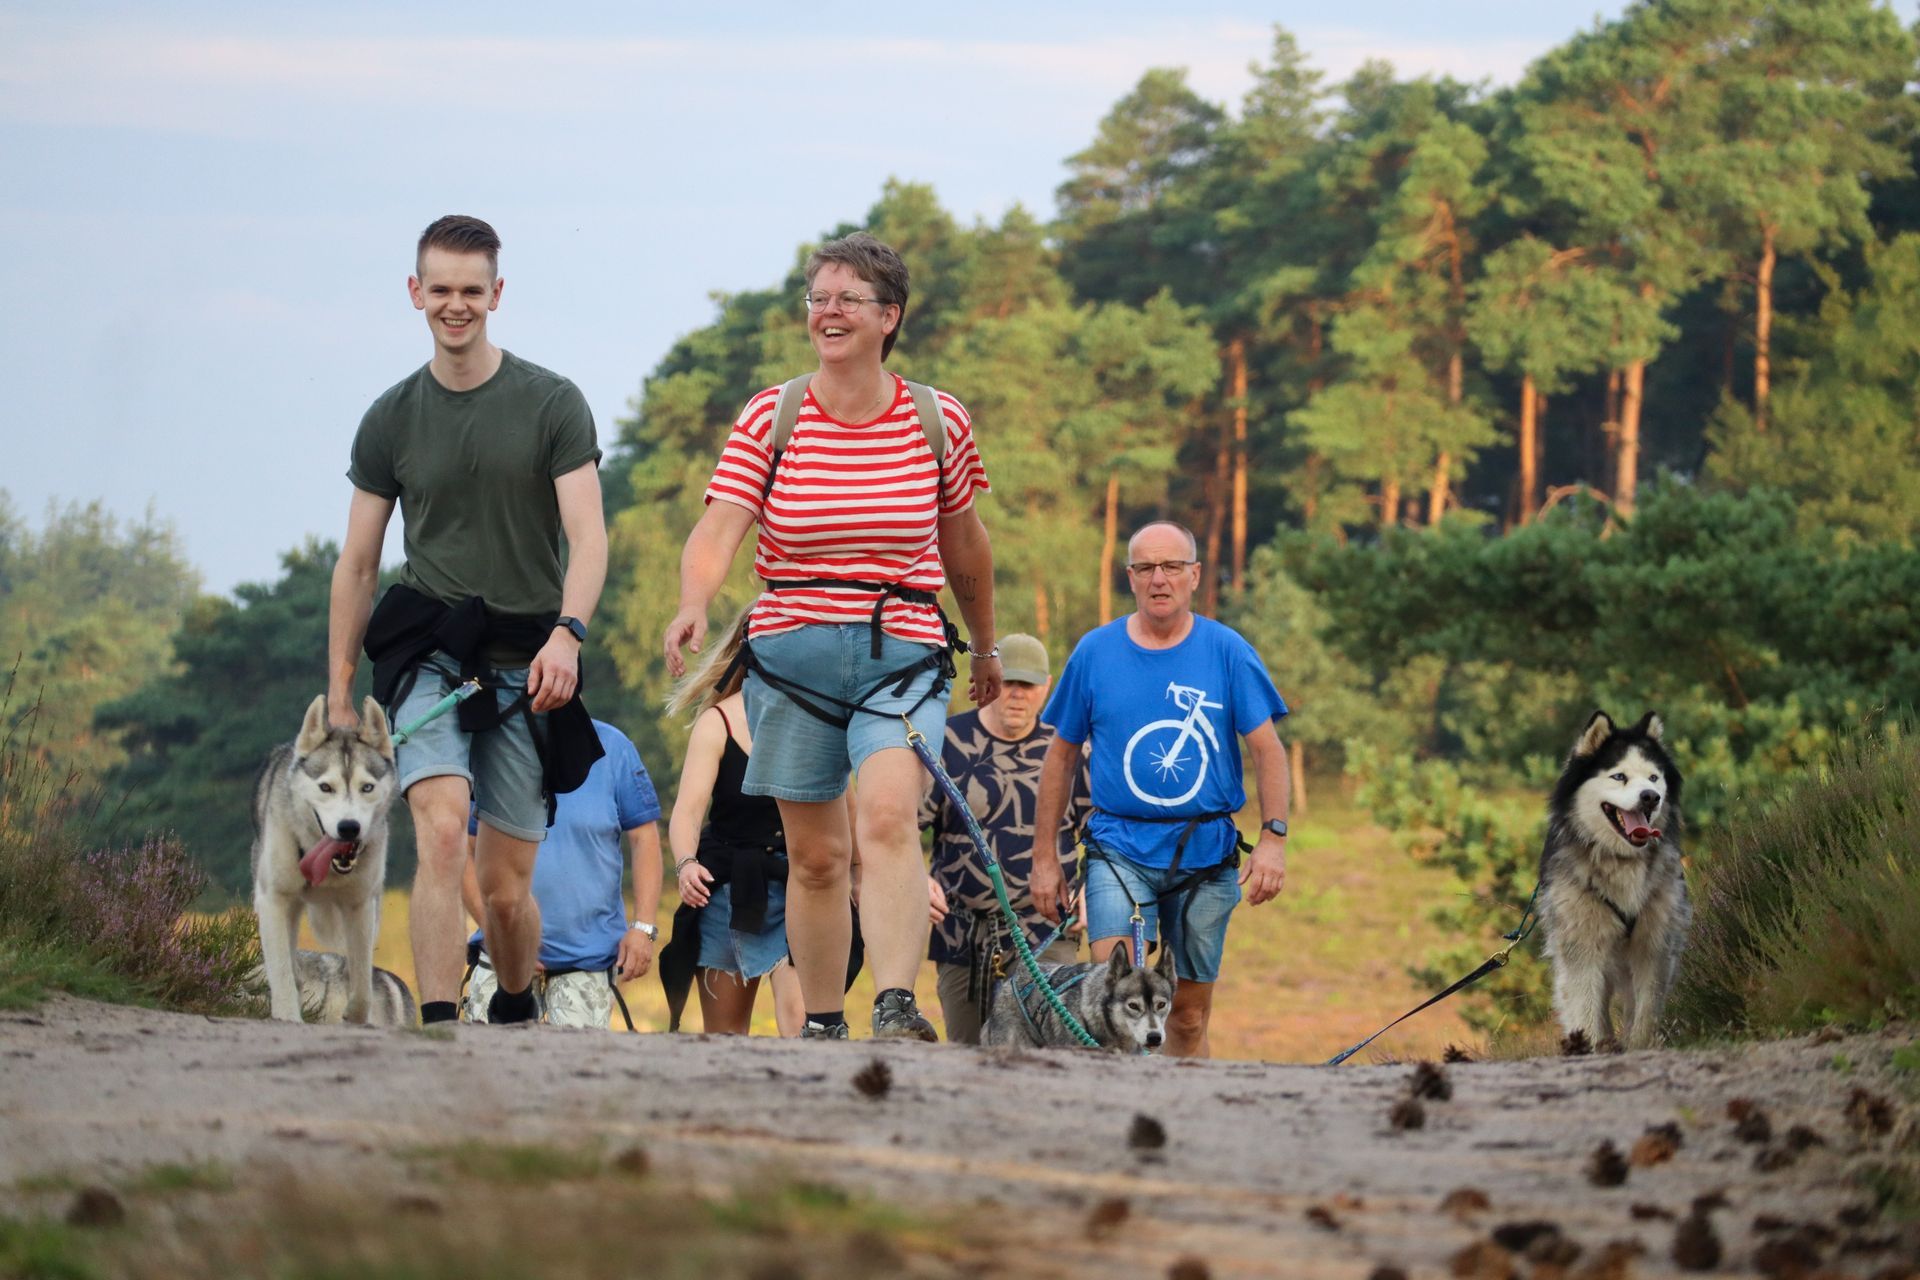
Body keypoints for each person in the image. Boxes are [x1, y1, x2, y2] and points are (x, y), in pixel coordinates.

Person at [663, 232, 999, 1042]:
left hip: (903, 647)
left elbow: (965, 544)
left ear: (890, 316)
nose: (829, 311)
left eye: (848, 298)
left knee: (885, 818)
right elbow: (719, 529)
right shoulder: (772, 415)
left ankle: (892, 1004)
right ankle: (820, 1022)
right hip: (790, 652)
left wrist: (984, 644)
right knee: (814, 857)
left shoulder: (935, 416)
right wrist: (694, 602)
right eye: (818, 298)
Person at [327, 214, 607, 1027]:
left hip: (528, 660)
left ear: (497, 294)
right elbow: (357, 562)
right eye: (440, 289)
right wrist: (341, 688)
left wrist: (569, 635)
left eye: (471, 291)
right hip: (430, 651)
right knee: (441, 834)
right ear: (415, 293)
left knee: (507, 890)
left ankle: (516, 998)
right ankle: (441, 1028)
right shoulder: (390, 417)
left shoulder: (552, 403)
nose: (456, 306)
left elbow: (588, 538)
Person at [1030, 521, 1290, 1059]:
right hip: (1118, 847)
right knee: (1115, 999)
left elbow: (1268, 749)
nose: (1159, 579)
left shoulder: (1228, 651)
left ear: (1194, 575)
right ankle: (1120, 1122)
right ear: (1131, 577)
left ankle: (1183, 1125)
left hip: (1205, 852)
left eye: (1172, 566)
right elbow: (1059, 756)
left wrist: (1273, 839)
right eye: (1146, 567)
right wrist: (1043, 859)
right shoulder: (1095, 652)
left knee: (1187, 1016)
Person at [919, 633, 1091, 1045]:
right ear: (987, 683)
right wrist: (915, 876)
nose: (1017, 695)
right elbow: (900, 826)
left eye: (1028, 685)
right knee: (968, 1053)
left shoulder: (1070, 752)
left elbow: (1103, 833)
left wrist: (1092, 886)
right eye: (1008, 682)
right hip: (963, 934)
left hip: (1047, 931)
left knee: (1046, 1053)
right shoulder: (944, 744)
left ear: (1046, 687)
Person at [461, 719, 663, 1028]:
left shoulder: (614, 747)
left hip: (586, 961)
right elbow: (466, 849)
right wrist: (498, 933)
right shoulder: (493, 747)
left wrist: (643, 927)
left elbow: (644, 838)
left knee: (579, 1069)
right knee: (489, 1066)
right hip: (499, 958)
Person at [659, 613, 806, 1036]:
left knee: (802, 1022)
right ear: (749, 646)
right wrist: (686, 863)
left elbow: (845, 810)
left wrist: (854, 875)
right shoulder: (716, 723)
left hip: (801, 887)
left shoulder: (815, 724)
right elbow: (687, 812)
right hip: (729, 891)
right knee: (725, 1038)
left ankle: (810, 1099)